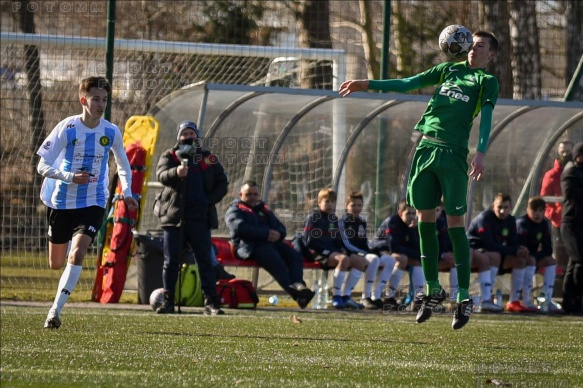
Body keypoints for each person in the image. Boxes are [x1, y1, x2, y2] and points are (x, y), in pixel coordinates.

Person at [340, 30, 499, 329]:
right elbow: (409, 82)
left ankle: (463, 296)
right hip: (426, 149)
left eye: (480, 46)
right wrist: (367, 83)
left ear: (490, 54)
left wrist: (481, 152)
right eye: (470, 44)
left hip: (453, 154)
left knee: (454, 225)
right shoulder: (448, 69)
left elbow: (487, 117)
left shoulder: (485, 81)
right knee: (423, 221)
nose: (472, 49)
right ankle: (432, 289)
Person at [38, 76, 139, 329]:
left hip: (93, 201)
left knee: (79, 252)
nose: (100, 104)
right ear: (83, 100)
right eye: (95, 98)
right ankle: (69, 247)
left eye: (104, 99)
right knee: (56, 264)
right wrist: (70, 176)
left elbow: (124, 166)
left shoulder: (111, 131)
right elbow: (42, 165)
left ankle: (54, 311)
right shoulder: (68, 128)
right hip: (61, 201)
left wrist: (127, 192)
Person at [155, 120, 228, 315]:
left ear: (197, 137)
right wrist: (176, 172)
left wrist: (208, 200)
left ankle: (211, 302)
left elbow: (222, 182)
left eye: (191, 134)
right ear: (179, 137)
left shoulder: (208, 158)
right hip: (174, 217)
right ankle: (168, 301)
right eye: (184, 134)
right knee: (171, 262)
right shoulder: (169, 156)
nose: (188, 137)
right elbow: (161, 175)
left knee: (205, 260)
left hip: (200, 218)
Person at [225, 181, 315, 309]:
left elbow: (280, 227)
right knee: (274, 259)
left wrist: (278, 234)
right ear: (240, 194)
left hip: (269, 244)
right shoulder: (235, 209)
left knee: (294, 255)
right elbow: (240, 228)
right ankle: (299, 296)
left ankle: (299, 286)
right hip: (248, 247)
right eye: (248, 194)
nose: (252, 197)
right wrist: (265, 234)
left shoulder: (263, 209)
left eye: (255, 194)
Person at [302, 188, 368, 309]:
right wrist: (328, 251)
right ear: (319, 203)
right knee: (343, 260)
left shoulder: (333, 219)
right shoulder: (313, 217)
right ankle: (336, 297)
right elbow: (309, 241)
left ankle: (345, 296)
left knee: (362, 262)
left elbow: (337, 240)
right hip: (316, 253)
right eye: (327, 202)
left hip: (332, 253)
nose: (330, 204)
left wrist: (340, 248)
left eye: (332, 202)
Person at [467, 193, 530, 313]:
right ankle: (484, 299)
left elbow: (513, 243)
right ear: (493, 206)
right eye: (499, 207)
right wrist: (514, 250)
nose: (502, 210)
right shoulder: (484, 218)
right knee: (493, 256)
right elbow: (488, 244)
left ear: (510, 208)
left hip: (496, 254)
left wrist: (520, 249)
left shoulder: (511, 220)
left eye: (506, 207)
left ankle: (515, 301)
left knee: (522, 258)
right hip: (473, 252)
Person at [339, 191, 396, 309]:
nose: (356, 208)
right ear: (346, 206)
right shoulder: (342, 221)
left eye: (359, 205)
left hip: (362, 253)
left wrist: (369, 251)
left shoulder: (362, 222)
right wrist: (364, 253)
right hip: (349, 254)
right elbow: (346, 243)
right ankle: (363, 296)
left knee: (389, 260)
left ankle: (376, 296)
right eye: (353, 205)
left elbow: (364, 242)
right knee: (373, 259)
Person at [369, 201, 424, 310]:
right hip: (379, 250)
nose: (412, 216)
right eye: (408, 213)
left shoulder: (412, 225)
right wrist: (417, 255)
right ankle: (389, 296)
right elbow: (393, 247)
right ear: (400, 213)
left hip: (400, 252)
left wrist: (413, 230)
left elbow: (415, 247)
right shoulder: (392, 222)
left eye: (414, 213)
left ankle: (417, 300)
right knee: (402, 259)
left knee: (417, 262)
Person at [516, 196, 561, 312]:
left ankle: (547, 299)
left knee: (551, 261)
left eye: (541, 211)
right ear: (528, 210)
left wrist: (535, 257)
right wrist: (533, 257)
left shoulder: (544, 224)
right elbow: (520, 246)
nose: (538, 214)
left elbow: (548, 249)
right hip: (516, 257)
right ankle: (526, 301)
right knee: (530, 259)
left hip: (532, 258)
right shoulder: (522, 223)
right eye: (535, 210)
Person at [540, 140, 574, 272]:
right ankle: (560, 281)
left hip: (575, 219)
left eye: (568, 151)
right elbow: (545, 198)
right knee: (560, 252)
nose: (565, 154)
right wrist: (553, 214)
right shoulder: (551, 175)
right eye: (562, 151)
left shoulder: (577, 171)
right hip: (558, 221)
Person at [560, 142, 583, 315]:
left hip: (580, 222)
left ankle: (569, 300)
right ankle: (574, 299)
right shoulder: (570, 172)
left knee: (574, 262)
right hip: (570, 223)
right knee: (579, 260)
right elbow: (571, 194)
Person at [435, 205, 458, 305]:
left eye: (438, 210)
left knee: (455, 261)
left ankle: (454, 300)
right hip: (420, 259)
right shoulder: (421, 223)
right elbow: (418, 247)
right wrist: (441, 255)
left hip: (436, 258)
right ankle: (419, 298)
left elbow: (446, 241)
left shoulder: (443, 220)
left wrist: (446, 253)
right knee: (419, 263)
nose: (436, 213)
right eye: (433, 210)